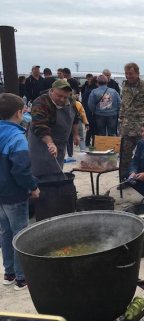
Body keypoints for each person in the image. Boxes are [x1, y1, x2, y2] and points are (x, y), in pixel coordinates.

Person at [0, 93, 40, 291]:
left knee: (5, 232)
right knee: (20, 234)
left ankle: (9, 273)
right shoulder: (16, 137)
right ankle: (22, 278)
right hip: (14, 194)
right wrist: (32, 187)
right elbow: (21, 170)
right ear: (19, 112)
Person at [28, 79, 80, 182]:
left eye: (65, 97)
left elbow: (75, 118)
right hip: (41, 143)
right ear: (51, 91)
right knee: (40, 172)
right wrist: (50, 143)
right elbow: (40, 125)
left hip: (60, 143)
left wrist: (75, 134)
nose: (62, 99)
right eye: (59, 96)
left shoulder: (71, 101)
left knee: (56, 170)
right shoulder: (40, 102)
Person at [82, 75, 96, 147]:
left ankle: (87, 142)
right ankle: (93, 143)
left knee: (89, 128)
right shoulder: (95, 91)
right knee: (94, 129)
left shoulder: (87, 89)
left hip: (87, 112)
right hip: (93, 112)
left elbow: (83, 102)